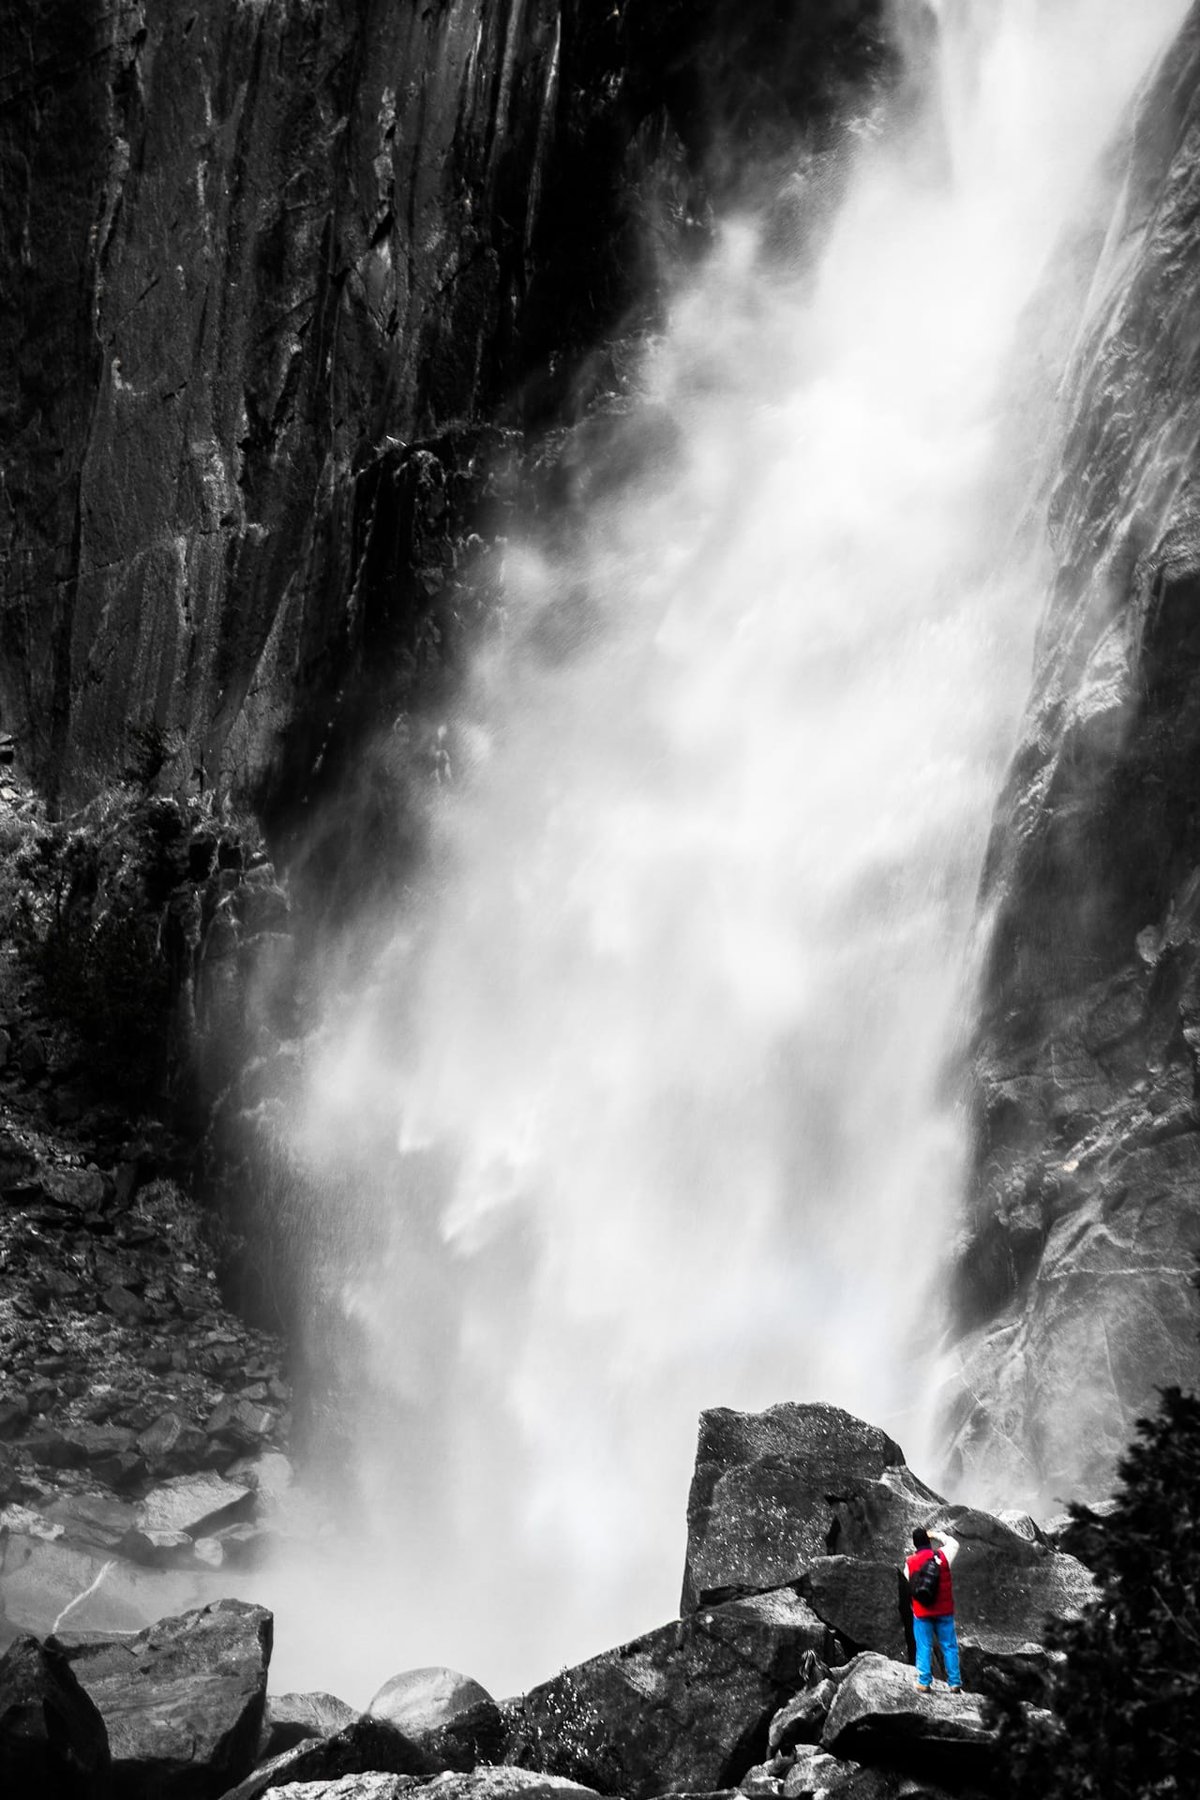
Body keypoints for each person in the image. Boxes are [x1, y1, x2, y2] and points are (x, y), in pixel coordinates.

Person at [905, 1525, 963, 1694]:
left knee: (923, 1646)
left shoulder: (910, 1562)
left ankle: (924, 1682)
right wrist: (937, 1535)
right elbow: (954, 1543)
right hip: (944, 1611)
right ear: (928, 1541)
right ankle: (954, 1683)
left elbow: (909, 1584)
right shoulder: (943, 1555)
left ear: (915, 1544)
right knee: (950, 1646)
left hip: (922, 1613)